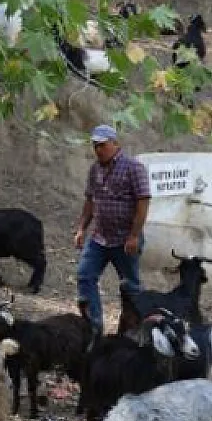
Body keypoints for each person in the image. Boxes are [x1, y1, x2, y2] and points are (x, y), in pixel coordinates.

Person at [74, 124, 150, 335]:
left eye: (102, 145)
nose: (98, 149)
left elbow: (143, 203)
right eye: (95, 146)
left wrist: (134, 235)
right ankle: (94, 327)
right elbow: (90, 200)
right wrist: (81, 228)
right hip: (99, 237)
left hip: (125, 239)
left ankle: (131, 331)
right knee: (85, 276)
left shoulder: (133, 168)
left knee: (130, 287)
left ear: (115, 144)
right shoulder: (94, 169)